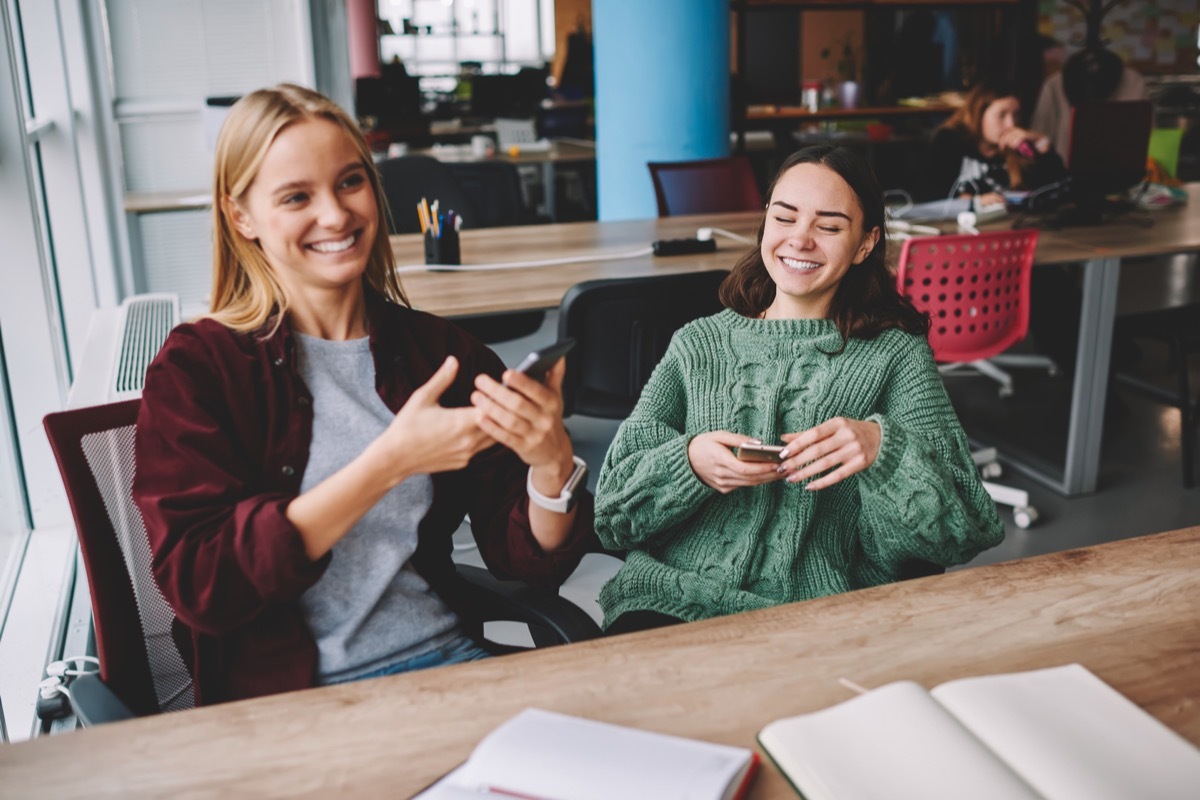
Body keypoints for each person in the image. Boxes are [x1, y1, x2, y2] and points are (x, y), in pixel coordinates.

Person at [132, 84, 594, 705]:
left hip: (449, 662)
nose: (335, 215)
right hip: (292, 701)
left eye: (350, 182)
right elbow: (203, 585)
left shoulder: (442, 356)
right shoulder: (199, 369)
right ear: (241, 217)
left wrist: (550, 462)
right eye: (297, 196)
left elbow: (525, 560)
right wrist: (389, 462)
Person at [593, 145, 1004, 634]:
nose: (800, 240)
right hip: (668, 601)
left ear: (865, 244)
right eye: (784, 217)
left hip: (820, 615)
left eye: (829, 227)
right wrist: (689, 464)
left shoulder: (895, 355)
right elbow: (612, 515)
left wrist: (884, 451)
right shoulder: (698, 344)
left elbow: (960, 532)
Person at [918, 80, 1065, 205]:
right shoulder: (949, 140)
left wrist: (1042, 144)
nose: (1011, 124)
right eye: (1001, 115)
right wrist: (974, 202)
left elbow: (1056, 191)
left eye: (1016, 115)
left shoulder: (1018, 147)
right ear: (979, 114)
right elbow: (928, 196)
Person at [1032, 46, 1148, 160]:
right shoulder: (1054, 86)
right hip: (1065, 173)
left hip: (1121, 172)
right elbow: (1039, 138)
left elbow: (1145, 140)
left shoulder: (1134, 83)